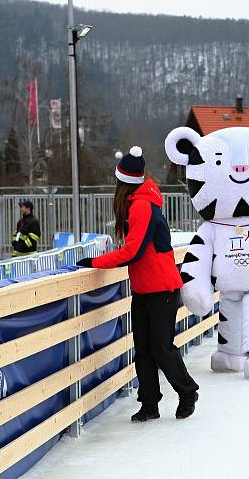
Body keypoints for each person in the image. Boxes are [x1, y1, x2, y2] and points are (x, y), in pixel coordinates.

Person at [76, 146, 199, 422]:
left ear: (122, 182)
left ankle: (188, 391)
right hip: (144, 289)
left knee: (161, 348)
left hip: (161, 290)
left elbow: (133, 251)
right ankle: (150, 403)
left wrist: (95, 263)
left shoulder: (142, 205)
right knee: (143, 349)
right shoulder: (140, 202)